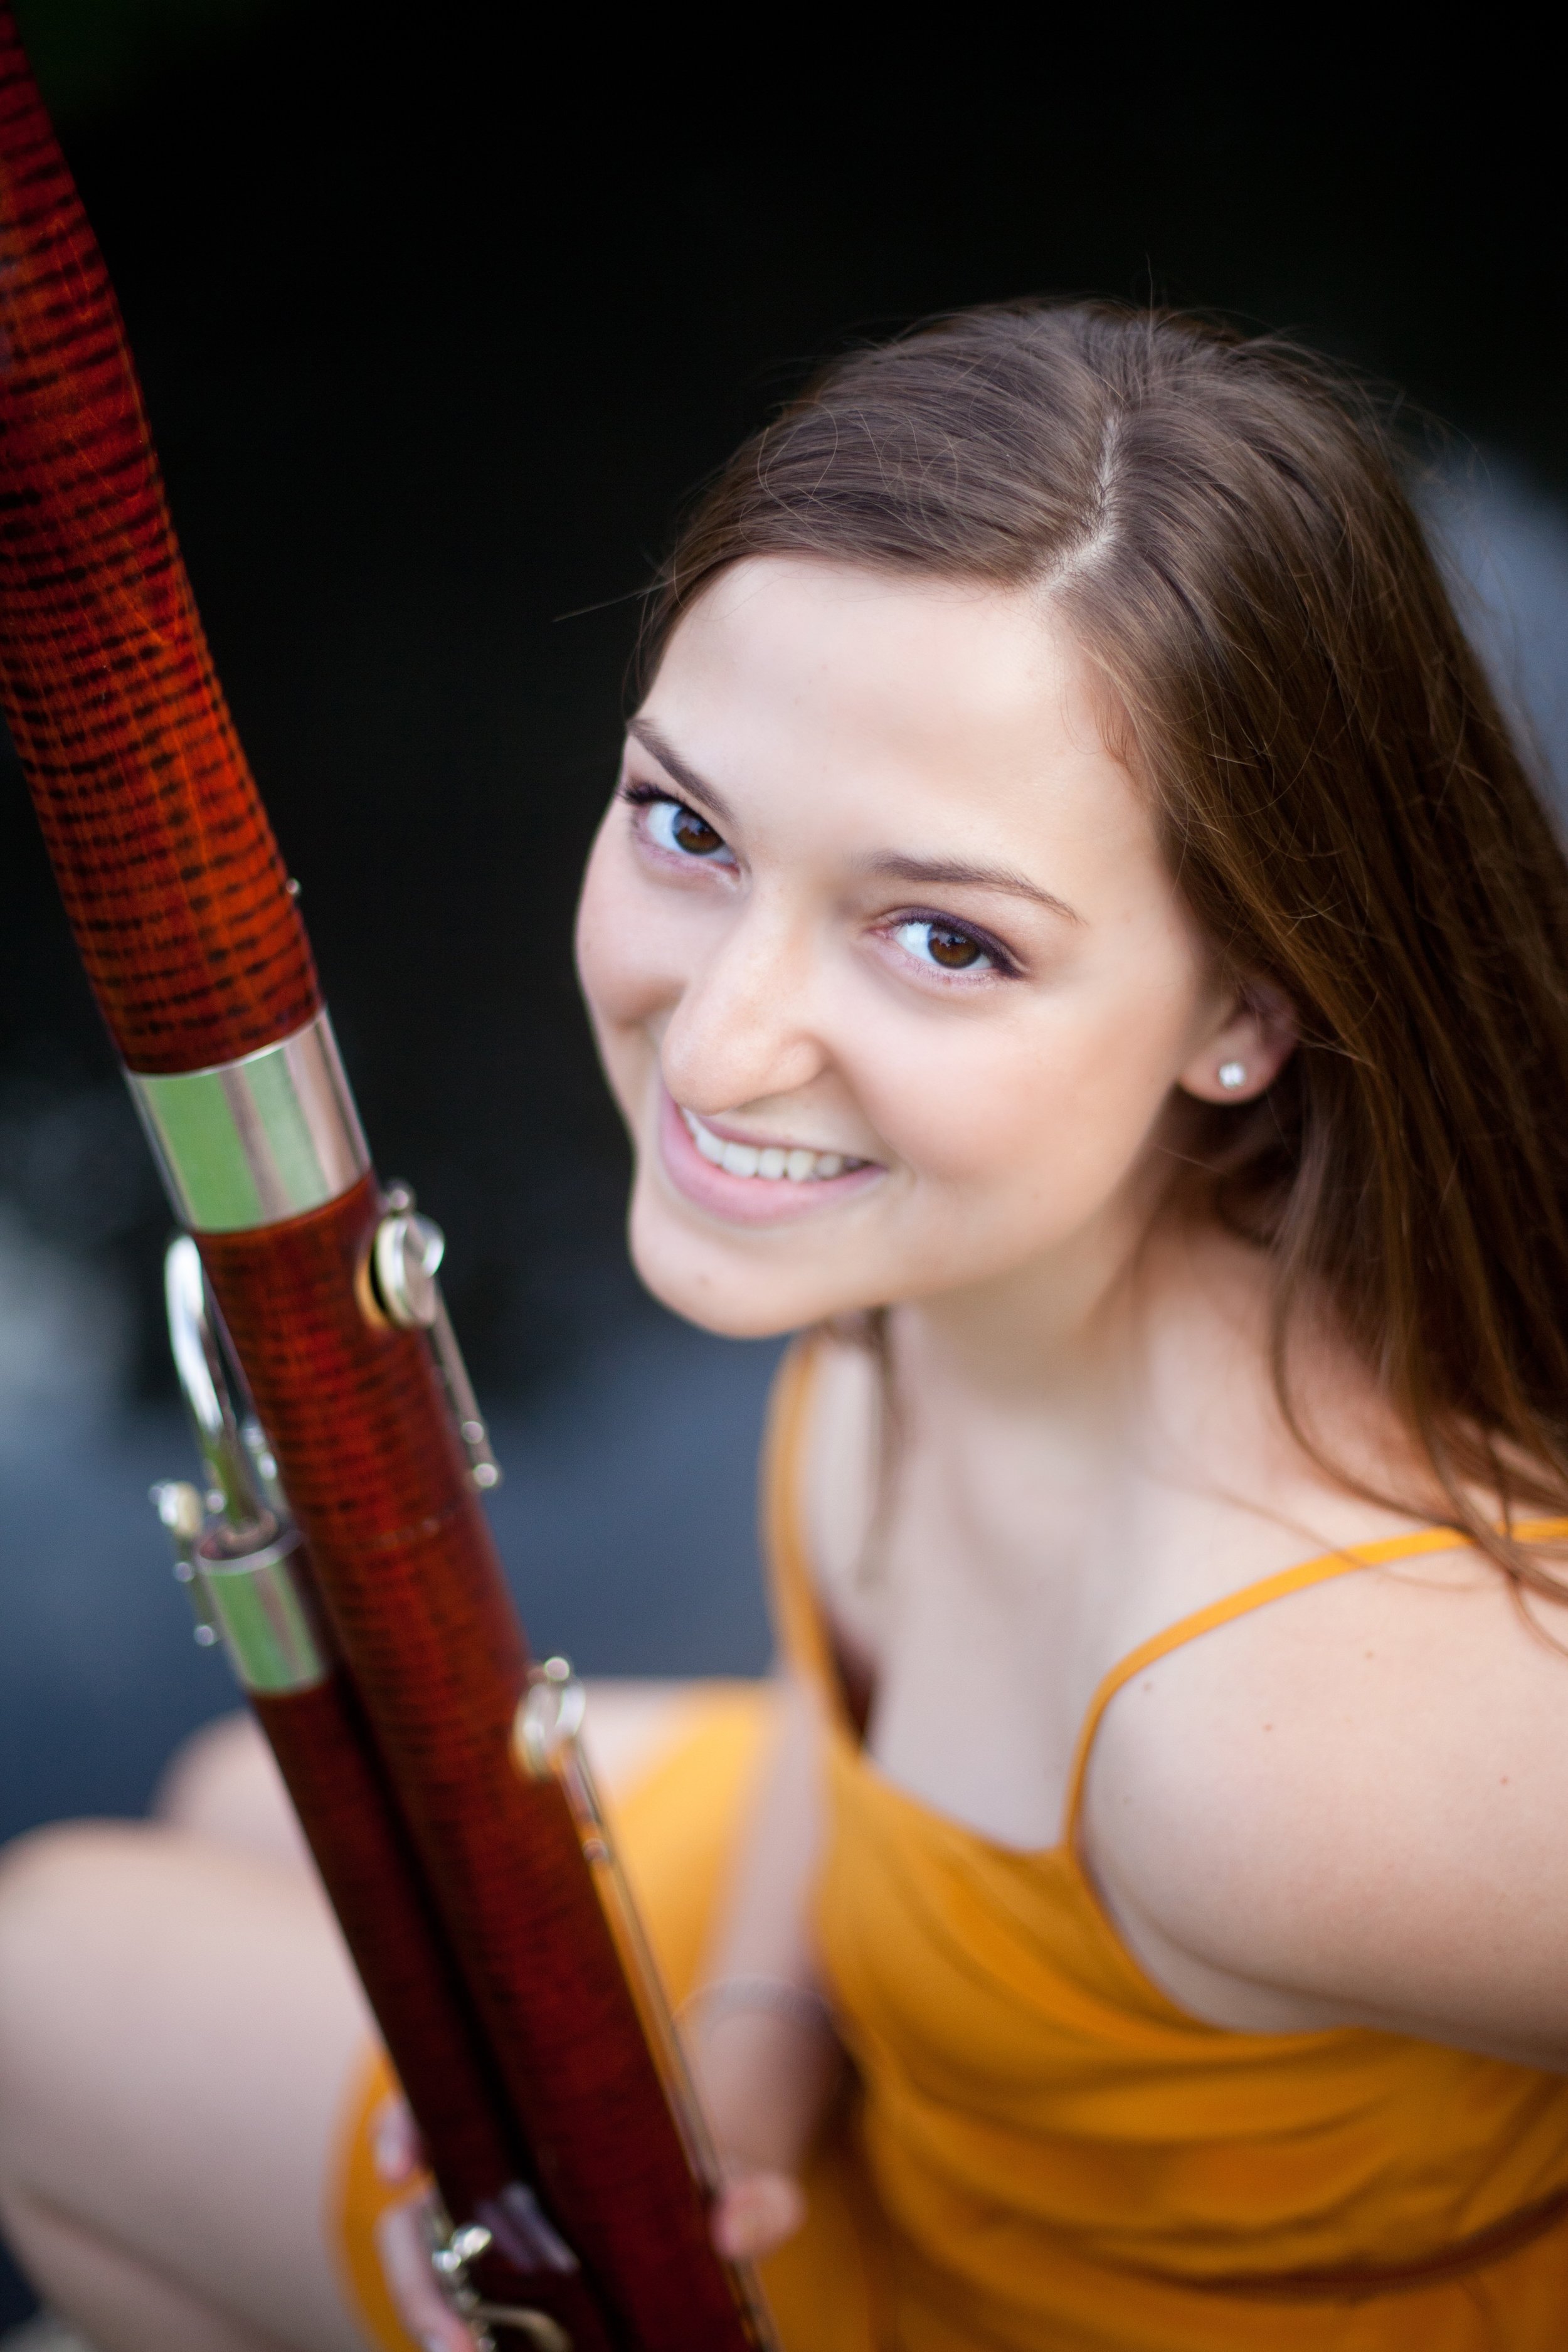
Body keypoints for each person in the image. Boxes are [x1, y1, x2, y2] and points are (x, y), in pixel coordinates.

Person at [6, 300, 1568, 2352]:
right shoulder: (974, 1243)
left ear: (1241, 1012)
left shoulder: (1281, 1752)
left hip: (1017, 2298)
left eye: (945, 938)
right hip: (923, 1993)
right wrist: (744, 2034)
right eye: (687, 825)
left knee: (44, 1970)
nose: (720, 1046)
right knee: (238, 1802)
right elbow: (862, 1724)